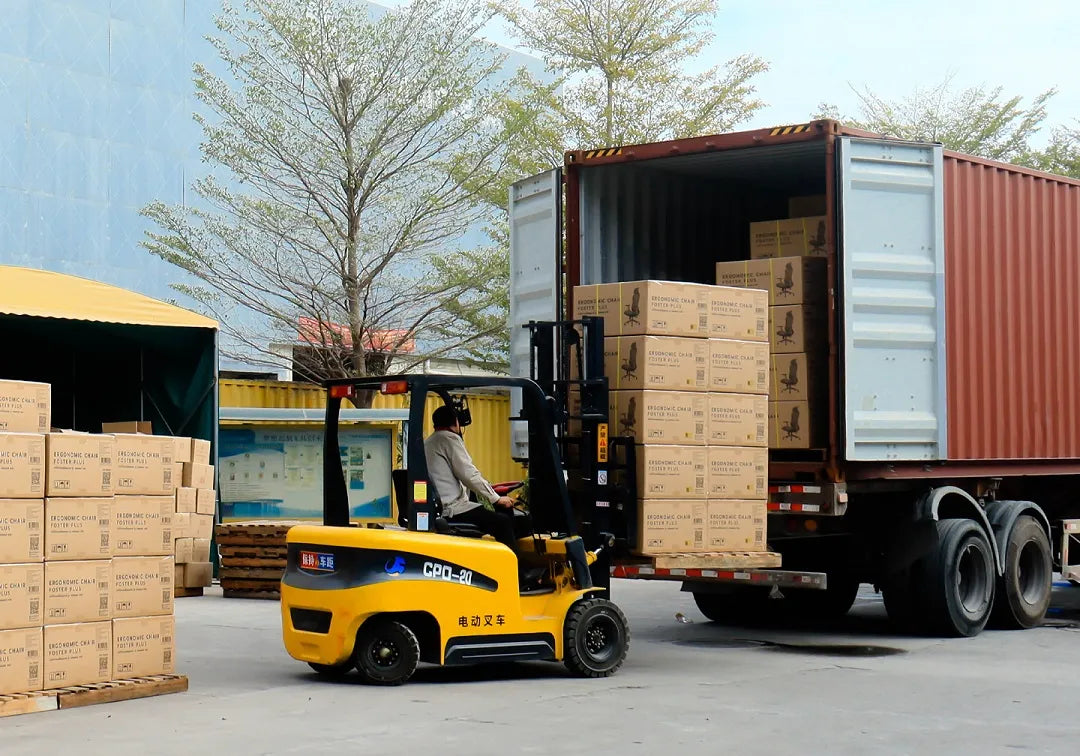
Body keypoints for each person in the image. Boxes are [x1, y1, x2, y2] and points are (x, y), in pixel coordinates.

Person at [423, 405, 524, 552]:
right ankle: (516, 565)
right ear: (456, 422)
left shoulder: (428, 442)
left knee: (487, 515)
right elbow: (469, 475)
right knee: (503, 522)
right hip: (452, 510)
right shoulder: (449, 439)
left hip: (438, 508)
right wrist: (496, 498)